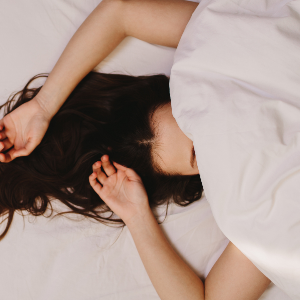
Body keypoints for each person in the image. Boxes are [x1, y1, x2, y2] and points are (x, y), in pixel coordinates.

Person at [0, 0, 271, 299]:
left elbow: (120, 12)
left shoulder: (230, 44)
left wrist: (43, 105)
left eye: (191, 117)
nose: (215, 133)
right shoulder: (262, 203)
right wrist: (137, 217)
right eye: (198, 153)